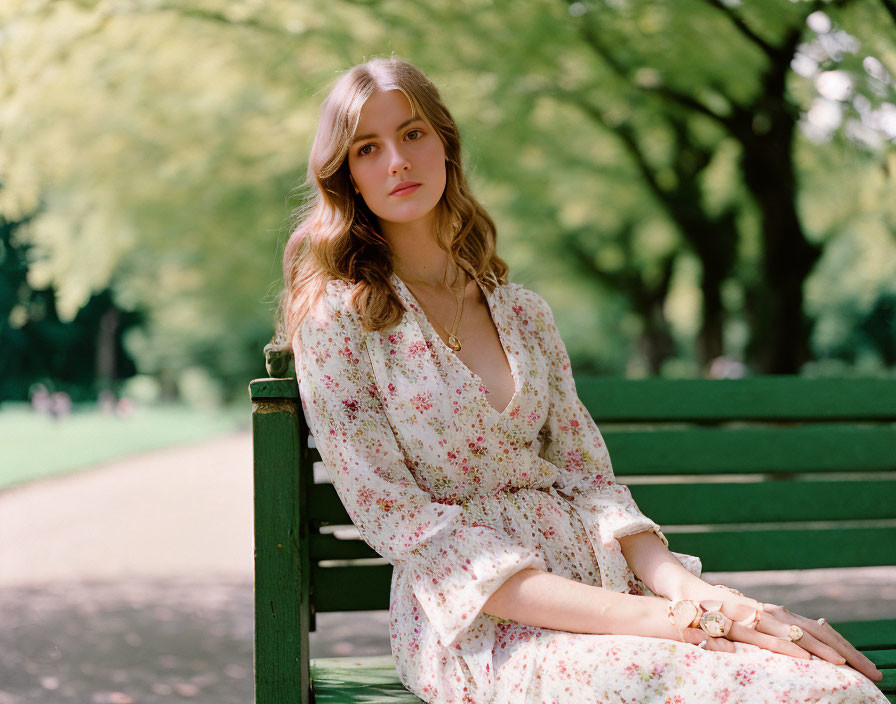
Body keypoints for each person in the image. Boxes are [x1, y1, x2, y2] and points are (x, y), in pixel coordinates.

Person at [276, 56, 885, 704]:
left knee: (832, 683)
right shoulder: (342, 322)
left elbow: (594, 485)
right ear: (348, 177)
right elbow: (403, 521)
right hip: (484, 624)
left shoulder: (523, 312)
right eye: (368, 148)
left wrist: (703, 598)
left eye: (413, 133)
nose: (397, 160)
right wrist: (664, 622)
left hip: (607, 588)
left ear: (446, 145)